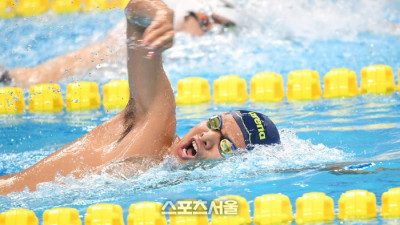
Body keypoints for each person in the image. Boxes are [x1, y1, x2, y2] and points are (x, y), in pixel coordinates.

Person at [0, 0, 280, 195]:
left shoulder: (167, 179)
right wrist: (160, 14)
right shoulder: (156, 126)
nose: (208, 137)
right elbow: (135, 13)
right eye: (215, 124)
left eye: (227, 146)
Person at [0, 0, 239, 88]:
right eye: (207, 24)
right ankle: (14, 78)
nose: (211, 32)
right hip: (144, 24)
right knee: (95, 56)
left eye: (219, 28)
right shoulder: (177, 14)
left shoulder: (207, 34)